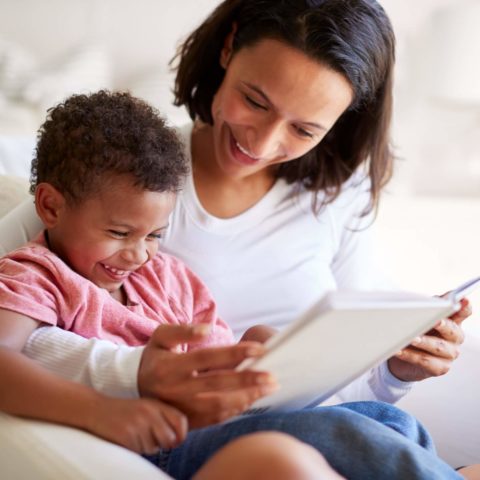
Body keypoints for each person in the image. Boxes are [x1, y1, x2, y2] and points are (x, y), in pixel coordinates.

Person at [0, 0, 474, 478]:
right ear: (228, 47)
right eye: (255, 101)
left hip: (275, 416)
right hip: (195, 437)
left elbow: (235, 354)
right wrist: (121, 385)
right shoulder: (121, 185)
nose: (263, 143)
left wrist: (384, 371)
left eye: (304, 128)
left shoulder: (176, 271)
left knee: (389, 422)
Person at [0, 90, 345, 480]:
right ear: (50, 207)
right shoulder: (37, 275)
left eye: (154, 235)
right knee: (348, 434)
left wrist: (255, 357)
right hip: (165, 441)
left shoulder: (169, 278)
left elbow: (214, 360)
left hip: (223, 423)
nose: (139, 255)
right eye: (119, 232)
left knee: (388, 422)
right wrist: (100, 410)